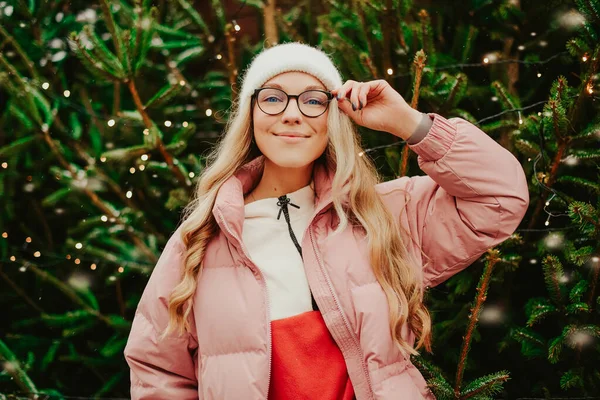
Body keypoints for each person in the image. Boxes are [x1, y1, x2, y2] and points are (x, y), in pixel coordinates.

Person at [124, 42, 529, 400]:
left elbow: (500, 197)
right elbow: (157, 371)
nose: (293, 115)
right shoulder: (200, 239)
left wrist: (408, 122)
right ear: (250, 114)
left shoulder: (383, 215)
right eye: (273, 98)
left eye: (313, 100)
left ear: (332, 116)